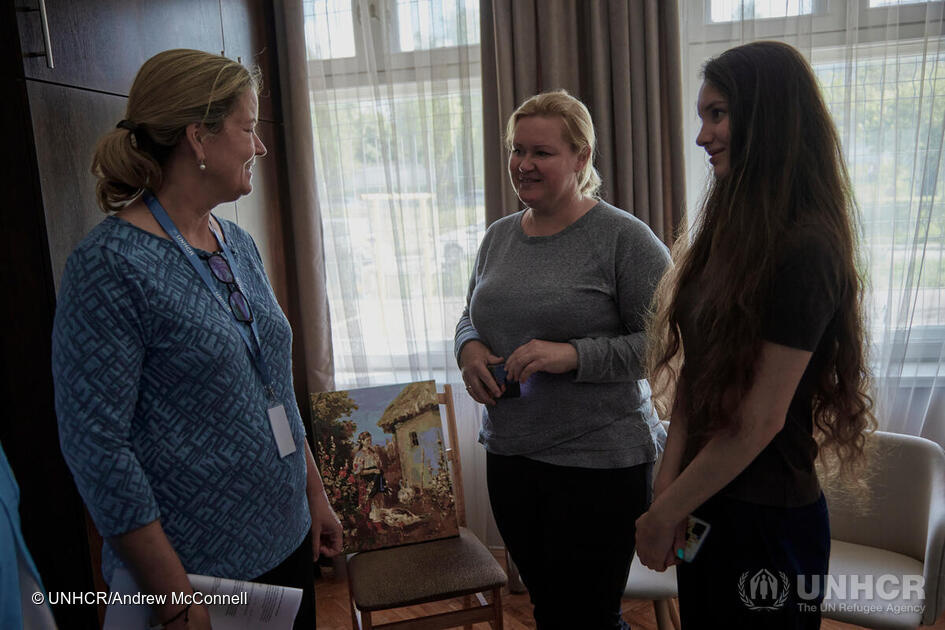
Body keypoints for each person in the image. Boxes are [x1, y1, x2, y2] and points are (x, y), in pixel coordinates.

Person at [51, 49, 342, 630]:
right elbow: (97, 449)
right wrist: (171, 596)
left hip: (285, 541)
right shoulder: (110, 266)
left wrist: (314, 493)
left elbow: (273, 386)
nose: (259, 146)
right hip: (198, 574)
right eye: (249, 128)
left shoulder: (235, 243)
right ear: (198, 138)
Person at [635, 41, 875, 628]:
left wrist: (667, 510)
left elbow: (760, 419)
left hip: (769, 525)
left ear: (766, 117)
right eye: (702, 116)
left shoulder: (809, 248)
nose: (702, 135)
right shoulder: (730, 234)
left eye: (717, 113)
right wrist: (669, 491)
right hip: (707, 502)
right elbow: (699, 372)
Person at [455, 90, 670, 629]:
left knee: (588, 616)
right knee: (550, 609)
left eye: (541, 152)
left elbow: (665, 346)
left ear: (581, 157)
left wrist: (571, 356)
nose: (523, 165)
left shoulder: (625, 239)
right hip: (511, 456)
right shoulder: (497, 238)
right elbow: (468, 315)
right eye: (516, 149)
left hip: (599, 463)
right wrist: (470, 349)